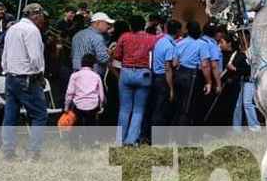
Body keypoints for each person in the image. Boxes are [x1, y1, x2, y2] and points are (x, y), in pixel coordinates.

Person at [1, 3, 48, 161]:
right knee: (39, 114)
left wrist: (6, 70)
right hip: (27, 78)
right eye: (42, 17)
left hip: (10, 76)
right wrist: (40, 76)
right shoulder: (32, 30)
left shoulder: (12, 29)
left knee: (10, 115)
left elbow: (5, 54)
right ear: (37, 15)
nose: (43, 21)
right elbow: (35, 57)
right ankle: (33, 151)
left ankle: (8, 150)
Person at [114, 15, 157, 146]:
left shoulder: (124, 37)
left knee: (124, 108)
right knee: (139, 109)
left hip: (126, 72)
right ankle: (131, 140)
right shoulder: (151, 39)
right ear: (143, 25)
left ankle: (119, 139)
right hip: (144, 73)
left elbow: (116, 55)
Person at [172, 22, 212, 126]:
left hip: (179, 75)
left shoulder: (180, 43)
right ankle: (183, 137)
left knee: (178, 105)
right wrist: (208, 82)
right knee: (188, 107)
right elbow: (204, 65)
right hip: (192, 76)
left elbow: (174, 63)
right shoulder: (202, 44)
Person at [65, 53, 104, 149]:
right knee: (91, 123)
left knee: (76, 124)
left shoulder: (74, 76)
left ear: (81, 64)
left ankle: (75, 143)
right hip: (93, 104)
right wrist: (101, 105)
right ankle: (91, 142)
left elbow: (69, 92)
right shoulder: (96, 76)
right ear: (93, 65)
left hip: (78, 104)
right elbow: (101, 94)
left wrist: (66, 106)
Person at [150, 18, 182, 131]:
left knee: (157, 106)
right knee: (162, 108)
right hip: (164, 79)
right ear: (178, 31)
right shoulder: (169, 46)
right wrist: (171, 88)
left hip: (156, 76)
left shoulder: (160, 41)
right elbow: (168, 69)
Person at [230, 33, 260, 131]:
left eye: (242, 37)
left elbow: (250, 68)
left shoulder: (252, 51)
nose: (240, 38)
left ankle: (255, 128)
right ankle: (236, 127)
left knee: (247, 103)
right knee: (238, 104)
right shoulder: (239, 50)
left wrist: (235, 69)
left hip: (249, 79)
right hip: (242, 79)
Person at [71, 12, 114, 76]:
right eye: (107, 23)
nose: (108, 26)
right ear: (98, 23)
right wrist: (111, 54)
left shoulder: (78, 34)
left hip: (76, 72)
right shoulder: (97, 37)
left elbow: (73, 54)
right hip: (92, 75)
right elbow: (102, 59)